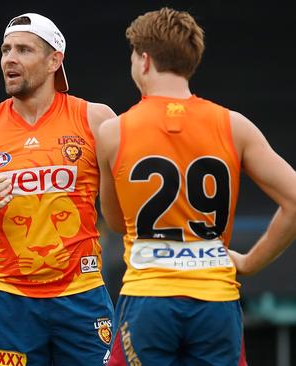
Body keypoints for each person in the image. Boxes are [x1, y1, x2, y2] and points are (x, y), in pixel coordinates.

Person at [95, 7, 296, 366]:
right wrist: (249, 263)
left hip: (148, 300)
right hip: (216, 300)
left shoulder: (113, 132)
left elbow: (114, 221)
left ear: (144, 61)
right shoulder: (234, 125)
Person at [0, 13, 117, 366]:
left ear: (55, 60)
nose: (10, 58)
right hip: (8, 299)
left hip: (81, 295)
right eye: (6, 50)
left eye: (24, 49)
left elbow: (123, 210)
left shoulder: (97, 120)